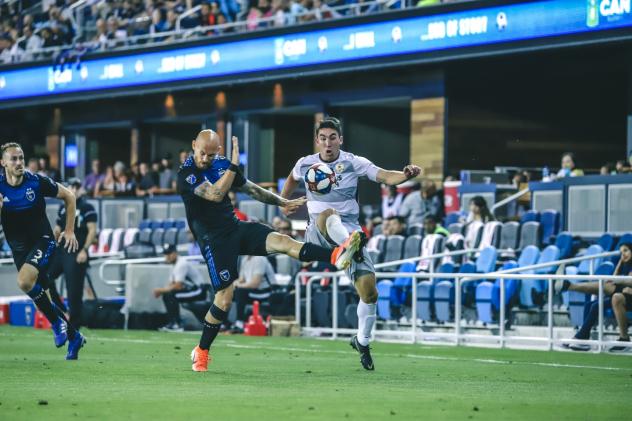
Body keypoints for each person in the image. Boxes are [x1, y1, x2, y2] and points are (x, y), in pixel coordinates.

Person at [181, 130, 360, 372]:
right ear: (194, 145)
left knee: (282, 241)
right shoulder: (187, 174)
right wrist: (234, 165)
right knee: (224, 300)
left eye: (212, 155)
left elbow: (252, 190)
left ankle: (337, 254)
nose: (206, 159)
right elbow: (215, 194)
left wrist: (281, 201)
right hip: (214, 241)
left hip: (234, 228)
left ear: (219, 151)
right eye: (202, 153)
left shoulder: (223, 165)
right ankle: (202, 351)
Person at [280, 117, 422, 370]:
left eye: (332, 138)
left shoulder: (353, 163)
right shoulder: (306, 164)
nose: (327, 143)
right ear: (317, 141)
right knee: (328, 214)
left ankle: (362, 341)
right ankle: (346, 245)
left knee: (369, 292)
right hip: (318, 232)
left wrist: (405, 175)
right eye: (323, 138)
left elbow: (385, 176)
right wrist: (283, 202)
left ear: (340, 140)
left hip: (350, 231)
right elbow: (291, 179)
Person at [0, 142, 85, 359]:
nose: (19, 162)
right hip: (19, 249)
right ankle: (74, 337)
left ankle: (58, 324)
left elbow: (70, 196)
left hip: (43, 241)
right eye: (14, 159)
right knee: (43, 301)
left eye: (21, 158)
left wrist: (69, 230)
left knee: (24, 281)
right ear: (3, 163)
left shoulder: (36, 182)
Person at [558, 243, 632, 351]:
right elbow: (614, 279)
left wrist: (618, 281)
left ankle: (624, 339)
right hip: (623, 296)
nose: (623, 254)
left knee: (609, 292)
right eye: (621, 252)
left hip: (626, 298)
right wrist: (620, 263)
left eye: (626, 251)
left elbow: (628, 281)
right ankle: (582, 337)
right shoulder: (625, 265)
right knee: (592, 304)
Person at [48, 178, 98, 329]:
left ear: (81, 189)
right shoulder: (63, 207)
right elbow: (57, 228)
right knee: (45, 278)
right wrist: (53, 237)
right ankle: (63, 311)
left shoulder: (87, 207)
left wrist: (85, 250)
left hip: (76, 251)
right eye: (70, 186)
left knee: (74, 290)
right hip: (61, 250)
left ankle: (74, 325)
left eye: (76, 186)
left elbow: (92, 231)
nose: (73, 189)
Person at [153, 244, 208, 332]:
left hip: (199, 290)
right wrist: (163, 291)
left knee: (171, 295)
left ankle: (176, 324)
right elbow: (171, 284)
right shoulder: (175, 265)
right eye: (165, 254)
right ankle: (174, 323)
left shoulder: (181, 264)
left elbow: (178, 285)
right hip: (191, 290)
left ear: (175, 253)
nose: (167, 256)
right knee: (168, 295)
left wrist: (161, 290)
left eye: (169, 253)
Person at [232, 254, 277, 332]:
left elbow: (255, 283)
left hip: (265, 292)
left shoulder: (260, 259)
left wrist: (238, 285)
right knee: (227, 292)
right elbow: (241, 279)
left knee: (240, 292)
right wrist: (232, 285)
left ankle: (239, 323)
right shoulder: (244, 259)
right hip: (252, 290)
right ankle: (224, 323)